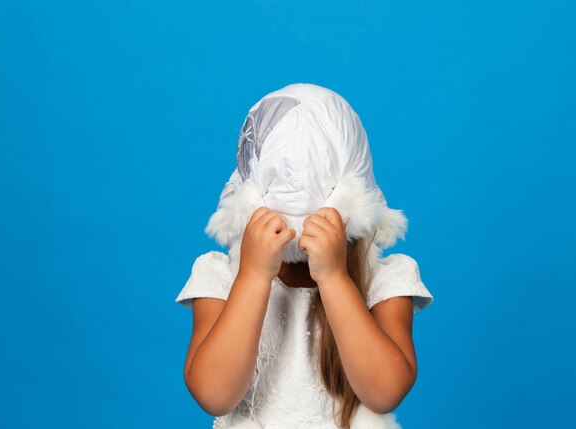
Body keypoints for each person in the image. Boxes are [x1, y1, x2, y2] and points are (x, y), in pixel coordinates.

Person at [175, 83, 434, 429]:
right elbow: (213, 394)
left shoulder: (384, 281)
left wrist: (335, 278)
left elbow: (385, 392)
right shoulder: (220, 278)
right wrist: (252, 277)